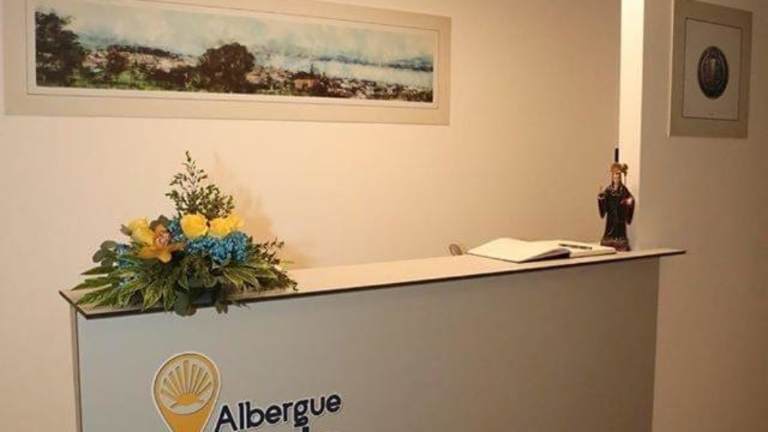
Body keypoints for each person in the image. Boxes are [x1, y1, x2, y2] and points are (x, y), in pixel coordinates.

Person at [598, 163, 635, 251]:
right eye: (615, 177)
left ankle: (620, 239)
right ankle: (609, 238)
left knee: (620, 228)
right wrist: (601, 198)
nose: (616, 179)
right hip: (611, 213)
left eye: (618, 178)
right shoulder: (609, 189)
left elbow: (630, 198)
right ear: (612, 178)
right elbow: (604, 198)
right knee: (610, 227)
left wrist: (629, 201)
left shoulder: (623, 189)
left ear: (620, 178)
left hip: (620, 213)